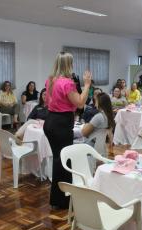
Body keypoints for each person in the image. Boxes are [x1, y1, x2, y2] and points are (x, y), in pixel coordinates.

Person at [43, 51, 92, 210]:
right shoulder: (67, 83)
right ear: (67, 65)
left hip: (50, 120)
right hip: (61, 123)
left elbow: (48, 100)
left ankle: (59, 197)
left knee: (59, 159)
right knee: (64, 161)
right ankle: (61, 200)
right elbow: (79, 103)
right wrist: (87, 85)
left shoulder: (50, 80)